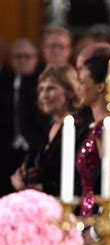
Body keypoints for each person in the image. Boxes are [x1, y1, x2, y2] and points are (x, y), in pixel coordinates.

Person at [9, 65, 87, 196]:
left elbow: (76, 181)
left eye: (51, 88)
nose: (44, 95)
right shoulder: (49, 128)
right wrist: (25, 176)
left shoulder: (78, 129)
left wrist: (36, 188)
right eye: (41, 89)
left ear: (70, 91)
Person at [0, 38, 49, 196]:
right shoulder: (4, 82)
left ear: (36, 58)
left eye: (27, 57)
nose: (22, 61)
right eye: (17, 56)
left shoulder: (43, 85)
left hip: (33, 149)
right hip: (6, 149)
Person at [75, 55, 109, 216]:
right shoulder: (95, 127)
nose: (78, 88)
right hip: (85, 211)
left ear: (100, 86)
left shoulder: (106, 129)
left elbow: (106, 180)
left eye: (82, 82)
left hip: (97, 216)